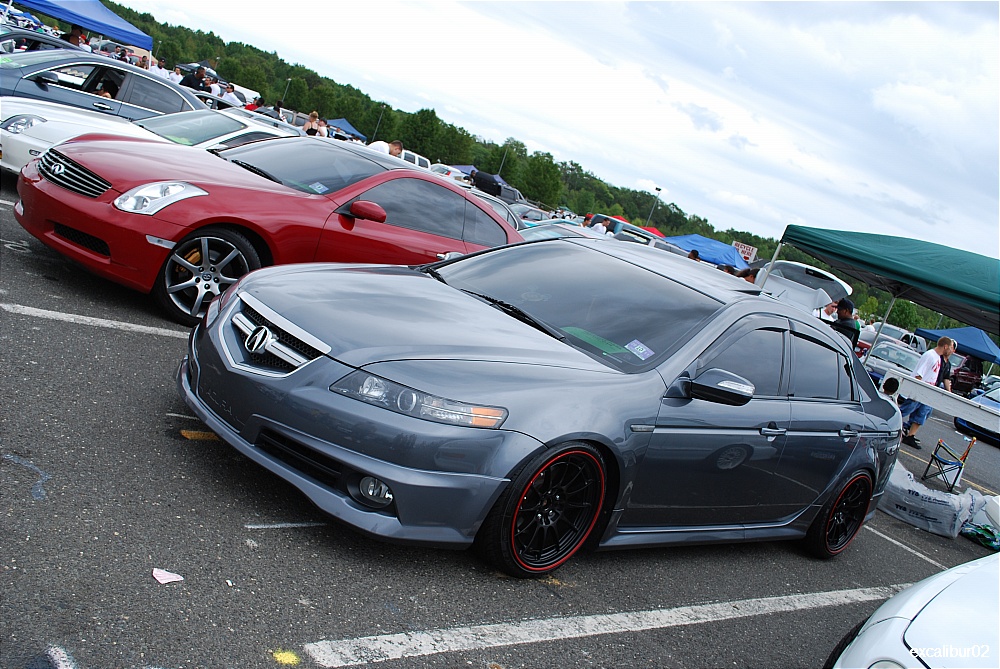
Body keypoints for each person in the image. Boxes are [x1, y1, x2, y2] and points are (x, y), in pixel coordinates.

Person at [898, 337, 955, 449]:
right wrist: (916, 391)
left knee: (922, 414)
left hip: (927, 393)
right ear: (945, 346)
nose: (952, 350)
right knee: (905, 410)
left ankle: (910, 436)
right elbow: (919, 374)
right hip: (919, 391)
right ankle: (887, 424)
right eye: (951, 347)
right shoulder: (930, 355)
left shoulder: (938, 358)